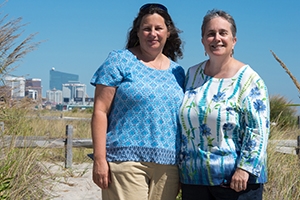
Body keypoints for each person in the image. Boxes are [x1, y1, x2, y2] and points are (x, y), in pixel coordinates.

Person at [90, 3, 185, 200]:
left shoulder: (178, 72)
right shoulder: (119, 60)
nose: (153, 33)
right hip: (125, 161)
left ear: (168, 32)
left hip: (168, 167)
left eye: (158, 28)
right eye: (147, 28)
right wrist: (99, 159)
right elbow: (100, 111)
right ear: (138, 32)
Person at [178, 9, 270, 200]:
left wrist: (244, 169)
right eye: (210, 34)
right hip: (195, 180)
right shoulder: (192, 75)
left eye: (223, 33)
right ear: (203, 41)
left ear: (234, 40)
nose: (216, 38)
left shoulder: (249, 79)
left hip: (236, 183)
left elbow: (258, 129)